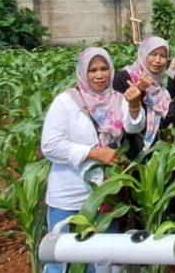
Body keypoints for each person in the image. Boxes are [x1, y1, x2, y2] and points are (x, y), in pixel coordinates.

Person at [41, 47, 145, 273]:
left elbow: (133, 126)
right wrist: (93, 152)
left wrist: (135, 104)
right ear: (82, 73)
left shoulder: (118, 99)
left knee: (103, 259)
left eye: (104, 68)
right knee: (61, 261)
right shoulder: (66, 101)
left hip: (107, 196)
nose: (100, 75)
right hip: (69, 197)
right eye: (93, 70)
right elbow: (49, 145)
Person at [113, 37, 175, 159]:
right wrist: (138, 95)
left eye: (163, 56)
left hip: (150, 151)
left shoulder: (159, 88)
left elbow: (162, 123)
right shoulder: (124, 78)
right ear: (144, 54)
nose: (158, 60)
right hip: (126, 153)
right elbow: (118, 120)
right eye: (153, 54)